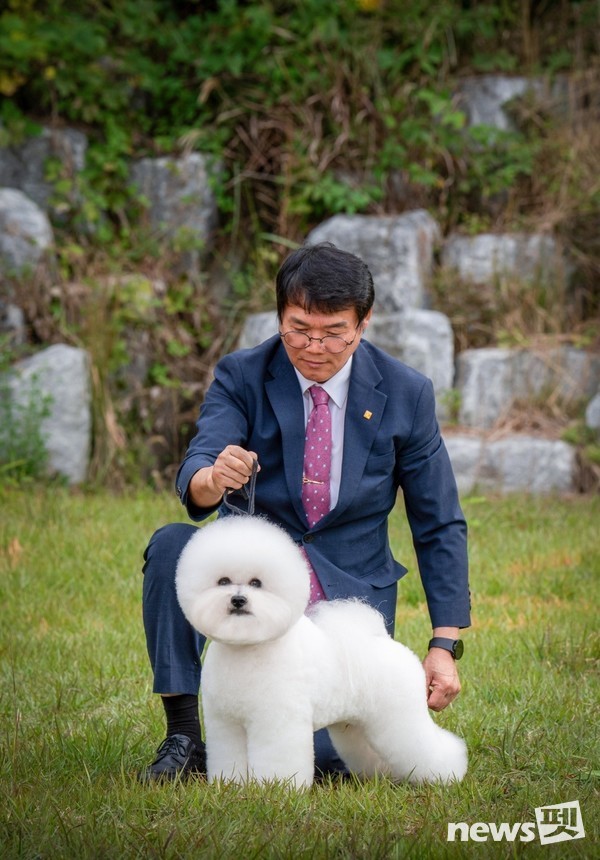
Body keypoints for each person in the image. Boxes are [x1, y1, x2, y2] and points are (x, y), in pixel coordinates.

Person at [140, 242, 470, 782]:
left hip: (346, 596)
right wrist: (211, 477)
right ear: (279, 318)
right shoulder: (243, 374)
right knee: (175, 544)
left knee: (325, 760)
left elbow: (439, 521)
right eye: (298, 329)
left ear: (363, 324)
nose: (314, 346)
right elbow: (199, 465)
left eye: (333, 331)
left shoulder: (407, 392)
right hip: (254, 580)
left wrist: (444, 643)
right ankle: (183, 736)